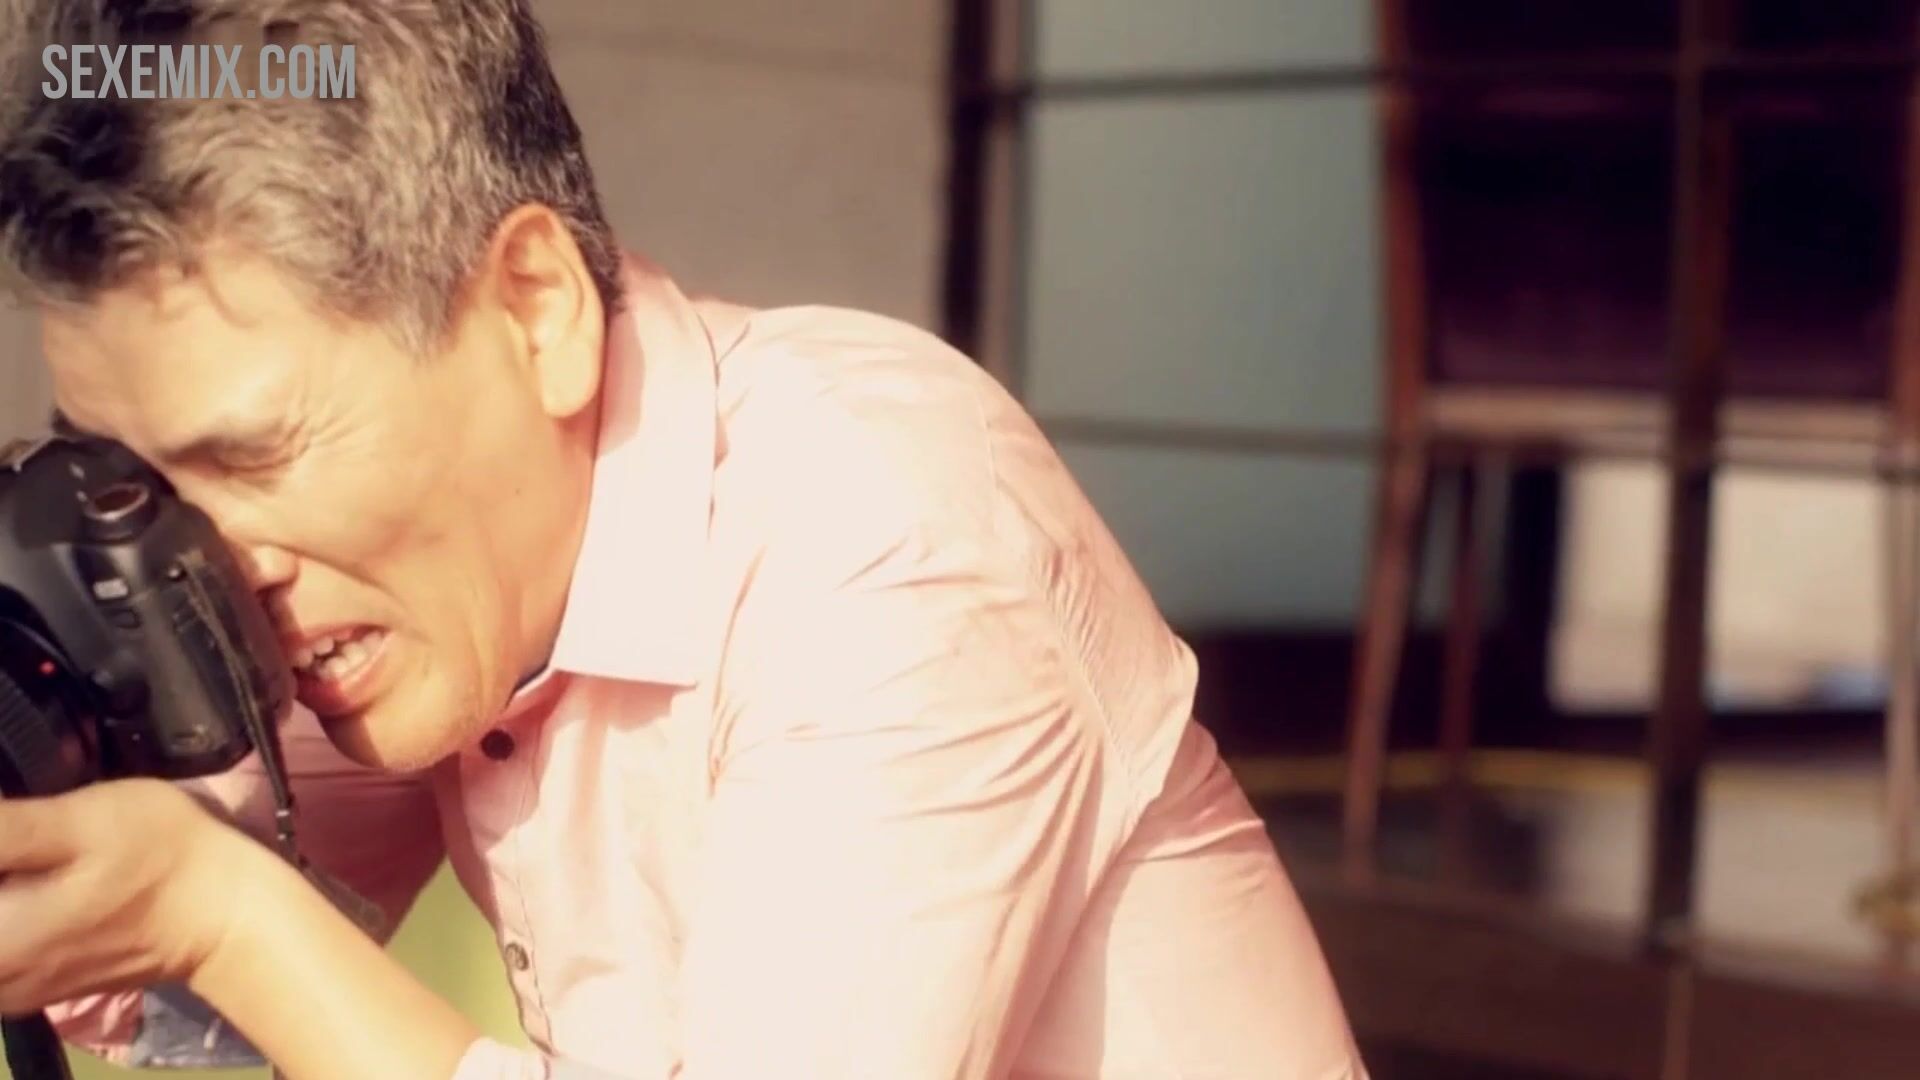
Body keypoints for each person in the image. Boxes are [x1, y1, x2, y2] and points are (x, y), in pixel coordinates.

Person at [0, 3, 1366, 1078]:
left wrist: (219, 914)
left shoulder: (880, 534)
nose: (212, 565)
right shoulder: (412, 576)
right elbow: (157, 960)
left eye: (256, 453)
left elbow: (223, 917)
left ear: (534, 309)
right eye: (134, 492)